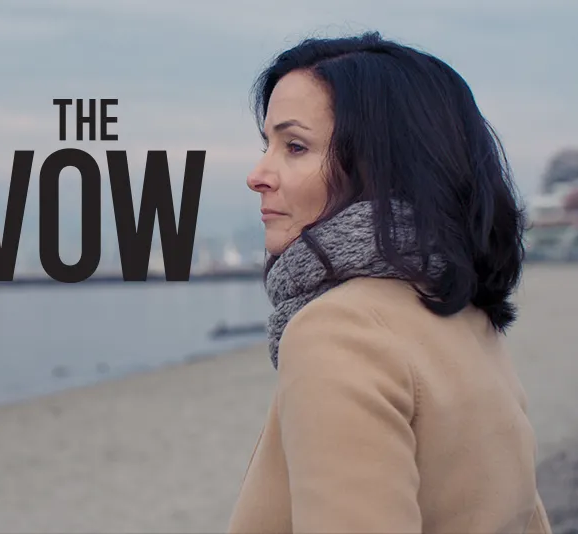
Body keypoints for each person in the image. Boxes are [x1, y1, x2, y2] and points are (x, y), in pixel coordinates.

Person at [227, 31, 553, 534]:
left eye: (294, 146)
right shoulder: (457, 310)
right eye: (266, 144)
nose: (257, 174)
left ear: (380, 165)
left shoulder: (337, 332)